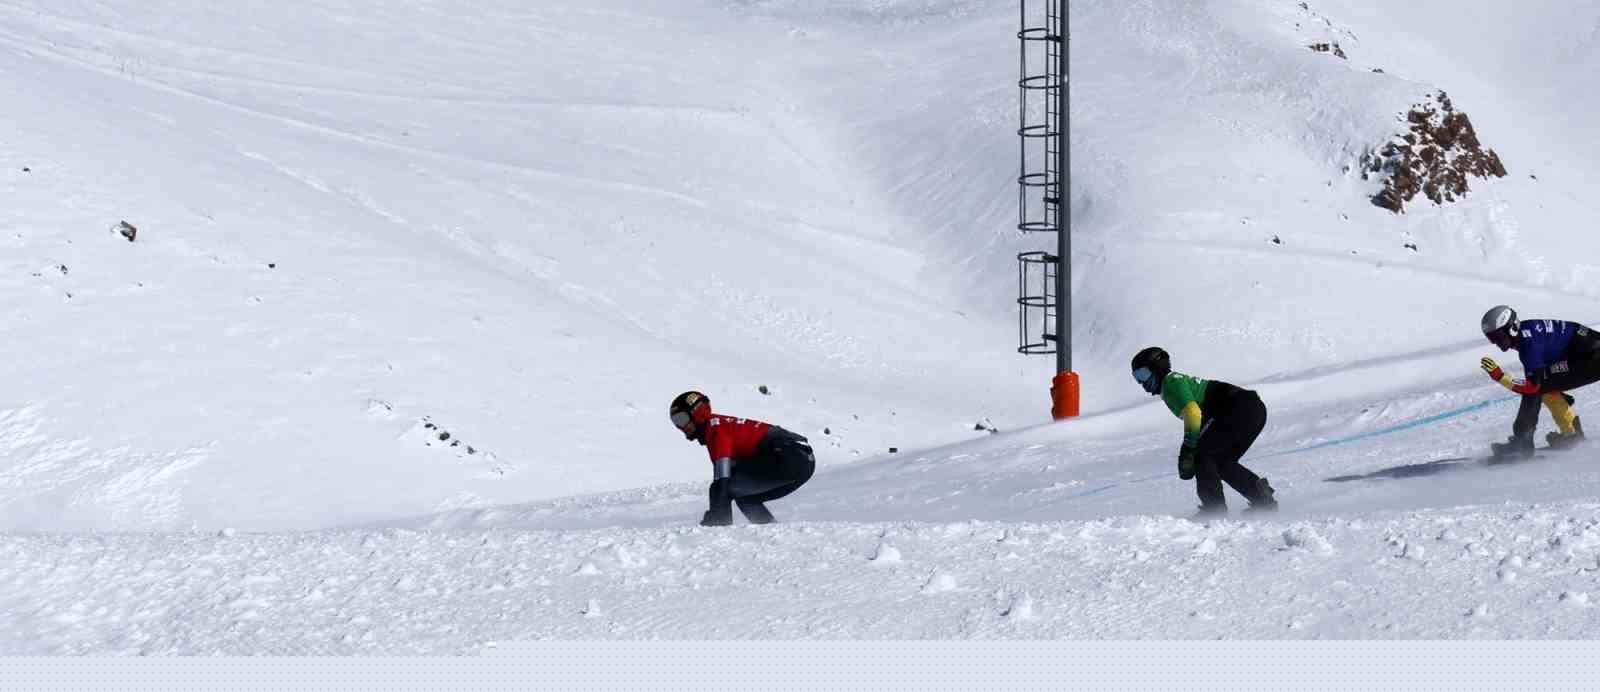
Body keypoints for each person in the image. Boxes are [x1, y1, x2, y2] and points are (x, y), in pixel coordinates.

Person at [1131, 347, 1277, 516]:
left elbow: (1193, 414)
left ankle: (1214, 511)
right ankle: (1262, 499)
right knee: (1220, 462)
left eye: (1142, 374)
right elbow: (1202, 419)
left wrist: (1188, 448)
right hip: (1253, 409)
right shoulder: (1172, 384)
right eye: (1136, 378)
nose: (1141, 383)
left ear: (1156, 368)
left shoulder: (1170, 383)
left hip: (1240, 408)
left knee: (1203, 456)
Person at [669, 391, 815, 526]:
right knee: (746, 498)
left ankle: (718, 529)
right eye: (676, 422)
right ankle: (771, 529)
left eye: (681, 419)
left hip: (790, 455)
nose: (681, 427)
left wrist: (714, 518)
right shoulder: (719, 425)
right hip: (802, 459)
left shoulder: (716, 429)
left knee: (727, 487)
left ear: (697, 413)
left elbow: (722, 481)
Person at [1479, 305, 1595, 458]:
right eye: (1491, 338)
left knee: (1539, 386)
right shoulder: (1526, 334)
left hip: (1590, 356)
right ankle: (1571, 434)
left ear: (1512, 328)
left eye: (1498, 337)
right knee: (1545, 383)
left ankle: (1523, 442)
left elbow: (1532, 388)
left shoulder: (1529, 344)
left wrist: (1500, 376)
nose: (1496, 343)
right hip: (1585, 351)